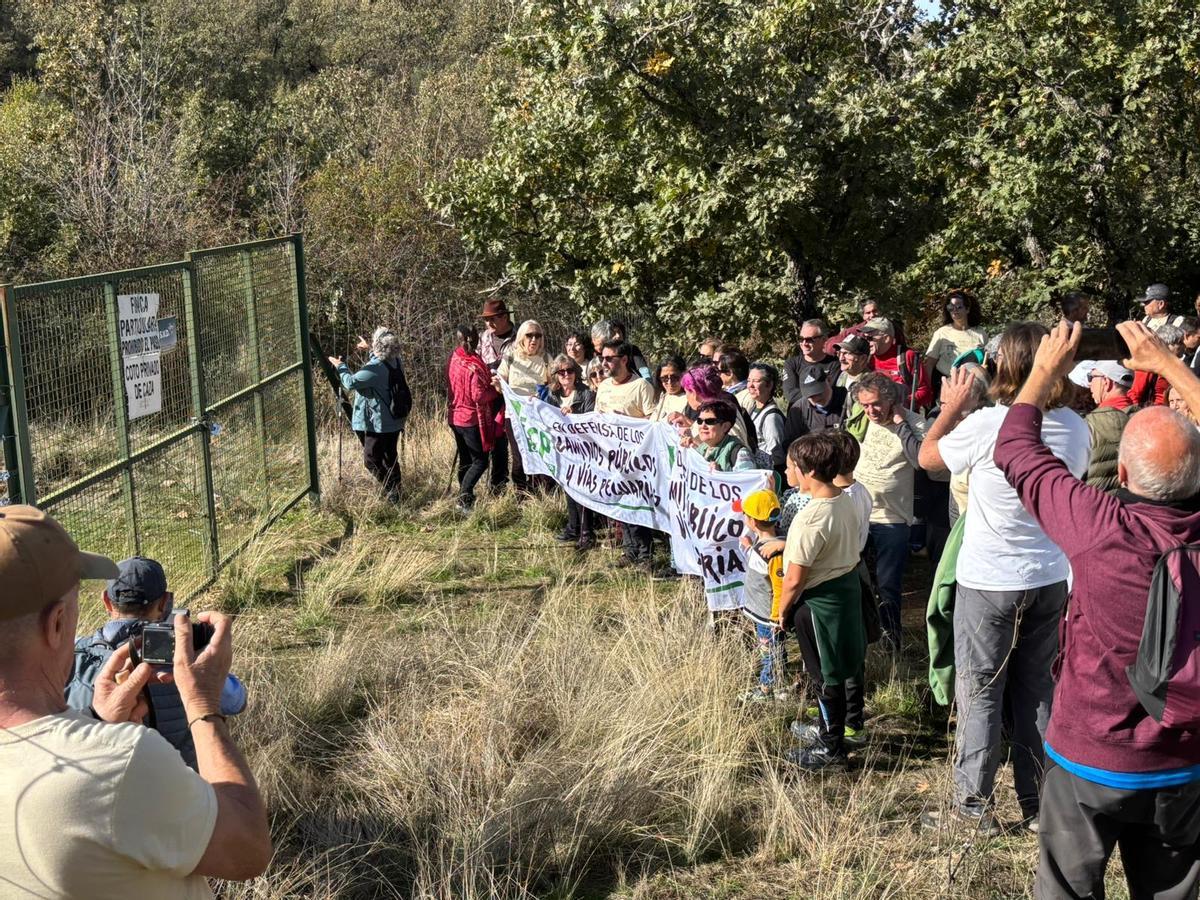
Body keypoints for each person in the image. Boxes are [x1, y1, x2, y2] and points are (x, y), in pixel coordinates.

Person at [994, 320, 1200, 899]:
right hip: (1184, 762)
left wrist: (1042, 371)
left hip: (1089, 754)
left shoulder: (1102, 527)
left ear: (1124, 474)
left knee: (1066, 887)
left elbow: (1016, 451)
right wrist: (1168, 364)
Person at [0, 505, 271, 896]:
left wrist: (96, 722)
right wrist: (203, 707)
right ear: (57, 623)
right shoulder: (121, 762)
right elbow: (247, 850)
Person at [917, 322, 1089, 837]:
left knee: (981, 692)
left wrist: (953, 404)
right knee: (1038, 691)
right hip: (1051, 575)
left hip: (990, 577)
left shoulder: (991, 423)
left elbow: (927, 459)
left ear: (1004, 366)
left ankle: (972, 809)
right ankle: (1040, 806)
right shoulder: (1076, 428)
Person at [65, 557, 247, 772]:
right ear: (165, 603)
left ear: (106, 601)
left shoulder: (69, 655)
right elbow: (236, 701)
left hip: (101, 787)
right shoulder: (185, 660)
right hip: (182, 790)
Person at [777, 434, 866, 771]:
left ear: (809, 471)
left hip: (819, 604)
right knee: (838, 670)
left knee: (824, 676)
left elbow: (795, 578)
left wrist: (782, 612)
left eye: (793, 467)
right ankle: (830, 732)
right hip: (845, 591)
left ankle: (831, 750)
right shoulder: (844, 499)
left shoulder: (811, 517)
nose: (790, 471)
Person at [851, 372, 927, 648]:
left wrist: (901, 423)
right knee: (858, 582)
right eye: (865, 405)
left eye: (876, 404)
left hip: (893, 519)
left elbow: (921, 460)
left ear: (892, 399)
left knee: (888, 585)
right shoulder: (861, 420)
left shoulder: (915, 422)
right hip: (858, 514)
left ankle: (892, 642)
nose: (870, 411)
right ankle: (863, 640)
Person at [595, 340, 657, 567]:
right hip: (612, 457)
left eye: (609, 358)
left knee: (639, 504)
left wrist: (627, 422)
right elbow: (596, 419)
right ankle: (629, 550)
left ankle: (646, 553)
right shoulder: (603, 386)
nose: (604, 363)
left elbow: (653, 422)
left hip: (637, 458)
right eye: (603, 358)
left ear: (624, 360)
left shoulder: (641, 386)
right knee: (621, 502)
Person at [330, 327, 409, 501]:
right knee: (390, 457)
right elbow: (379, 357)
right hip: (395, 420)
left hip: (379, 423)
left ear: (378, 346)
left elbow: (350, 383)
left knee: (371, 459)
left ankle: (390, 490)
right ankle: (397, 491)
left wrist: (340, 366)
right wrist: (370, 349)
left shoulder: (375, 367)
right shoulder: (395, 361)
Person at [735, 489, 788, 703]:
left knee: (770, 651)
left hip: (768, 616)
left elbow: (779, 586)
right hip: (766, 613)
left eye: (746, 515)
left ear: (752, 522)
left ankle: (767, 688)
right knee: (775, 649)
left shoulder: (769, 552)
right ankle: (780, 683)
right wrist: (749, 547)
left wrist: (776, 617)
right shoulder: (776, 541)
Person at [446, 323, 502, 509]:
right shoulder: (473, 366)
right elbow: (478, 395)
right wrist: (496, 392)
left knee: (466, 459)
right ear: (475, 340)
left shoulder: (455, 357)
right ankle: (464, 496)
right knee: (480, 461)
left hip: (455, 416)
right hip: (470, 419)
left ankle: (465, 502)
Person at [496, 319, 552, 493]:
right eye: (529, 335)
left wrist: (542, 395)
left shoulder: (545, 358)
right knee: (519, 455)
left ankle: (538, 492)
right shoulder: (511, 357)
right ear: (521, 337)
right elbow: (500, 381)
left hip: (538, 416)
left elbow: (553, 385)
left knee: (538, 454)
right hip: (515, 416)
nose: (533, 340)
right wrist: (497, 385)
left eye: (537, 335)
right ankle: (521, 491)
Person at [548, 354, 597, 550]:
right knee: (568, 488)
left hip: (583, 450)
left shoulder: (585, 394)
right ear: (556, 375)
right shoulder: (552, 396)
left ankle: (587, 533)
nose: (566, 375)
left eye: (570, 371)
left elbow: (591, 421)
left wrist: (574, 415)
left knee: (582, 490)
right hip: (563, 450)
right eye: (562, 372)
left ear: (576, 373)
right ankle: (573, 527)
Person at [1068, 359, 1134, 492]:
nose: (1089, 384)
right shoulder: (1146, 420)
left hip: (1096, 505)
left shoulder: (1086, 425)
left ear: (1106, 382)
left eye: (1091, 377)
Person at [673, 363, 757, 451]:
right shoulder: (713, 409)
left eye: (686, 392)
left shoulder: (723, 413)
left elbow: (728, 450)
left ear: (693, 393)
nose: (686, 397)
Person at [863, 317, 933, 410]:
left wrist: (901, 403)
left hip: (902, 415)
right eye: (864, 338)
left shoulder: (907, 356)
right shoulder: (866, 358)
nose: (867, 342)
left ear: (886, 338)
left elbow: (925, 392)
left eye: (870, 338)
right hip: (872, 414)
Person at [924, 292, 986, 393]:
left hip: (972, 386)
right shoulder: (941, 333)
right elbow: (929, 364)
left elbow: (985, 361)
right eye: (951, 308)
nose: (955, 311)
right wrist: (927, 388)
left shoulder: (980, 333)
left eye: (959, 307)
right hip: (944, 384)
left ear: (967, 309)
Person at [782, 319, 841, 409]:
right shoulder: (791, 364)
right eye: (801, 339)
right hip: (798, 418)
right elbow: (791, 395)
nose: (804, 343)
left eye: (810, 340)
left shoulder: (834, 364)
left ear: (824, 339)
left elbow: (830, 394)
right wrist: (817, 393)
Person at [684, 400, 755, 471]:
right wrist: (686, 451)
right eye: (699, 421)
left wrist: (720, 475)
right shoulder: (701, 449)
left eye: (710, 421)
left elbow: (748, 481)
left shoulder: (740, 454)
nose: (703, 426)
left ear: (725, 427)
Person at [746, 362, 787, 474]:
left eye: (756, 381)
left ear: (769, 385)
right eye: (749, 380)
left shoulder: (771, 417)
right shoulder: (752, 408)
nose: (750, 385)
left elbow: (777, 457)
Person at [784, 368, 845, 440]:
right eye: (810, 395)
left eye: (818, 392)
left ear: (829, 380)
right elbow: (790, 443)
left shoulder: (846, 400)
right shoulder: (798, 410)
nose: (815, 398)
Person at [833, 333, 873, 439]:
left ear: (863, 358)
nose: (841, 358)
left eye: (846, 353)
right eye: (840, 353)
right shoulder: (842, 376)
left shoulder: (870, 384)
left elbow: (859, 429)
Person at [479, 297, 516, 371]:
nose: (489, 323)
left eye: (492, 319)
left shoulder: (521, 337)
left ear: (505, 317)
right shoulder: (482, 338)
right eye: (486, 320)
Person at [652, 354, 690, 421]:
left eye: (675, 378)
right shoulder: (661, 396)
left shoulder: (690, 400)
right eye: (664, 378)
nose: (670, 382)